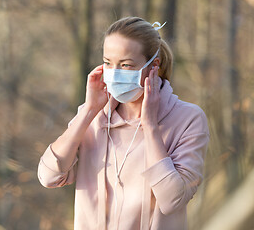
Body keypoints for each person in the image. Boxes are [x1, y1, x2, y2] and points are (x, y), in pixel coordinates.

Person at [37, 16, 209, 230]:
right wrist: (89, 111)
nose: (115, 73)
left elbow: (172, 200)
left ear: (153, 66)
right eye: (108, 63)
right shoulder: (92, 117)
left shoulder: (188, 119)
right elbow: (49, 176)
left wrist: (150, 126)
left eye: (126, 65)